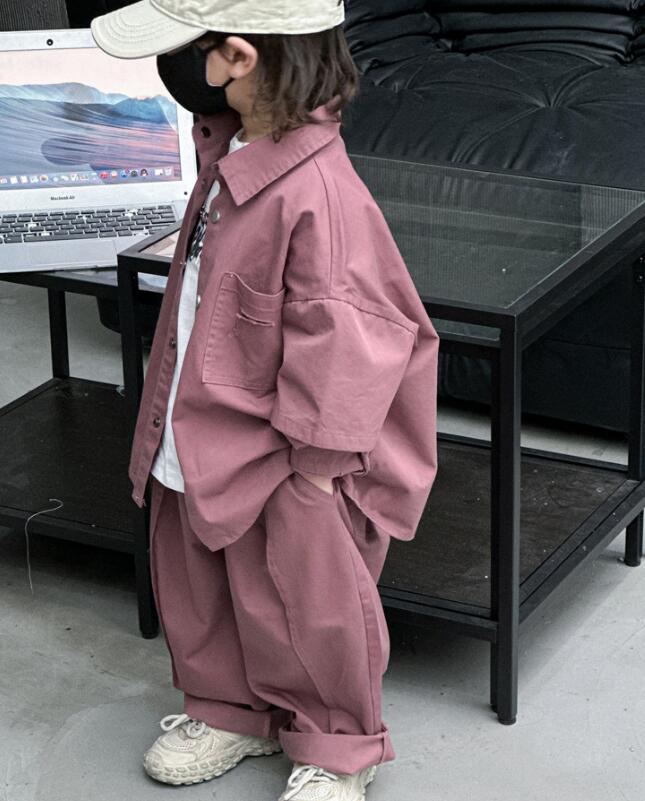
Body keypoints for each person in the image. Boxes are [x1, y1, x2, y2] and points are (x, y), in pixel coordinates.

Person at [91, 1, 440, 799]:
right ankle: (229, 708)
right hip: (199, 417)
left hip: (286, 451)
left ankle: (337, 744)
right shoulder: (235, 151)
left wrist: (315, 470)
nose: (174, 70)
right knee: (196, 577)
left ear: (238, 57)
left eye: (183, 51)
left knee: (305, 601)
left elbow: (349, 336)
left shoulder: (318, 193)